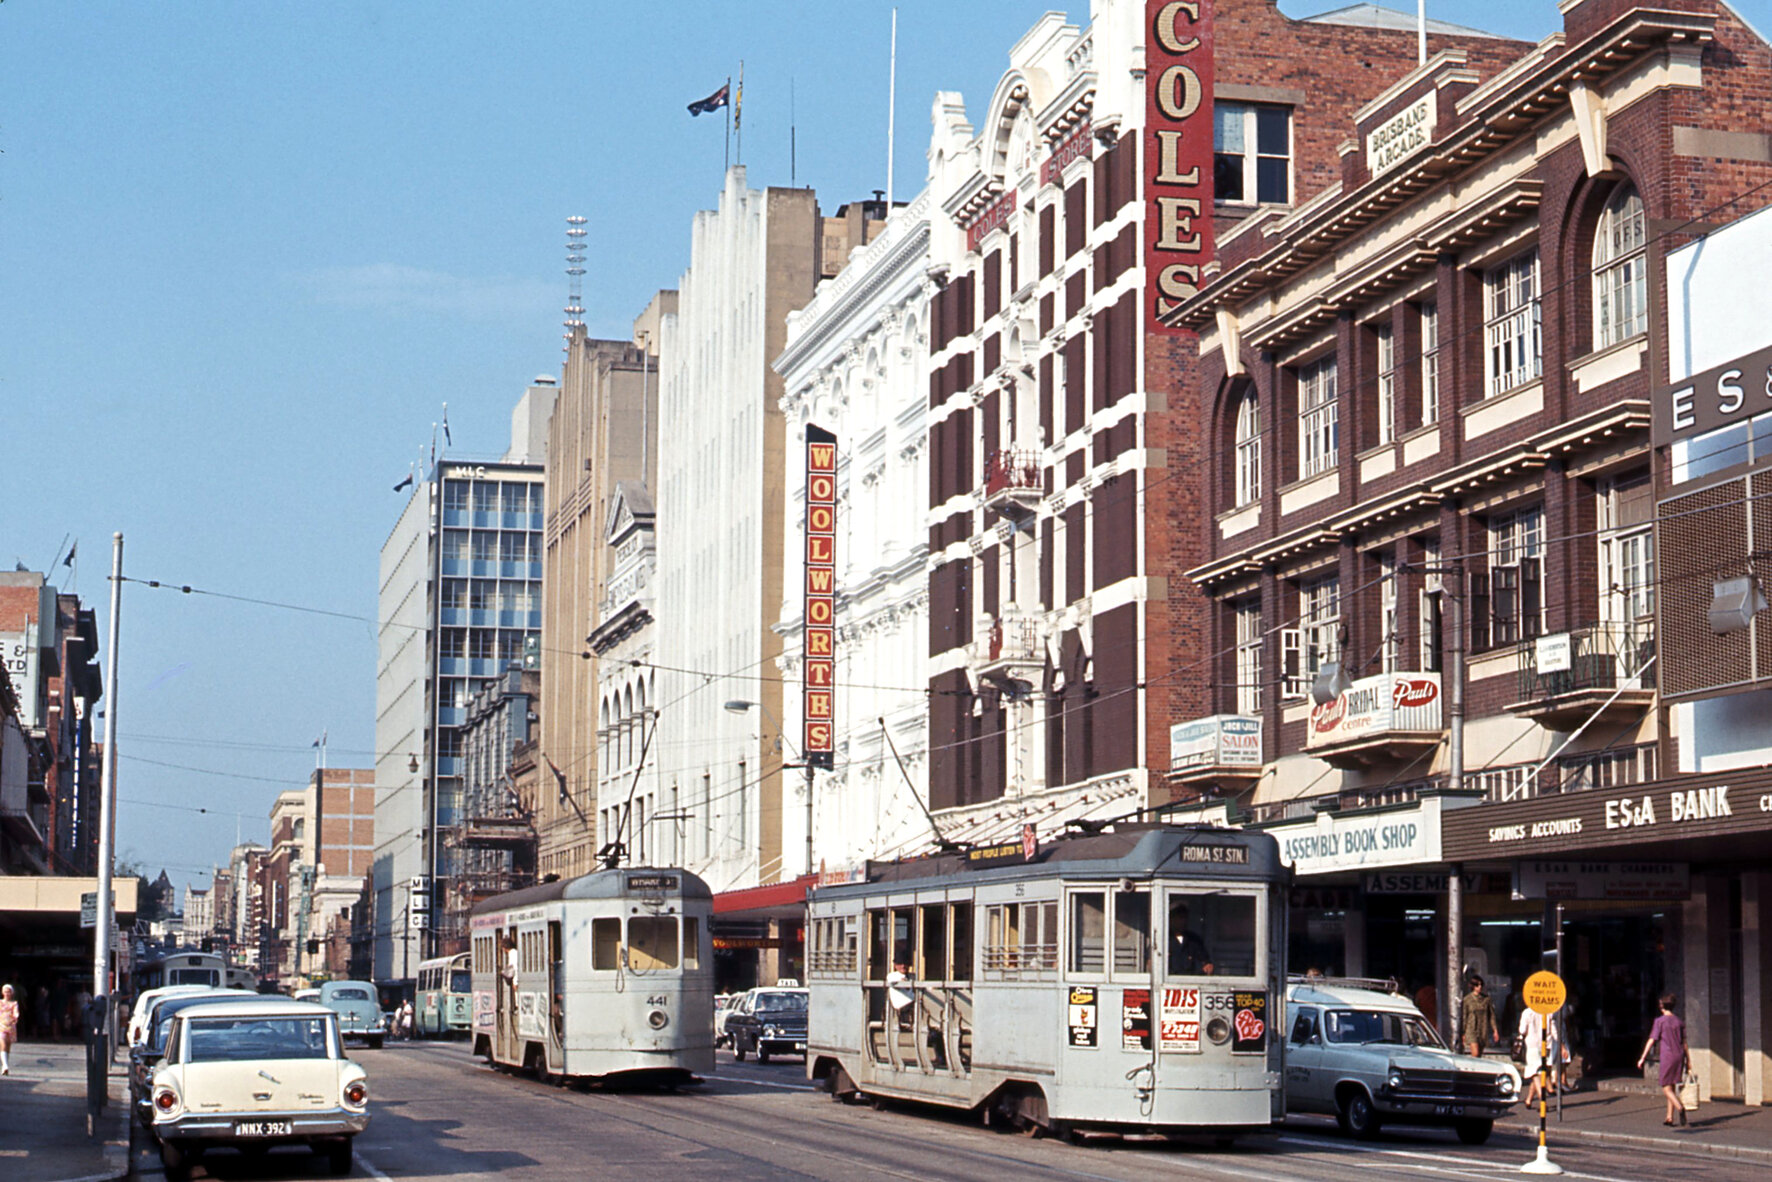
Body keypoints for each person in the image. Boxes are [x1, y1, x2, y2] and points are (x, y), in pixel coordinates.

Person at [1638, 993, 1689, 1127]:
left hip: (1667, 1055)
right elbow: (1684, 1043)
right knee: (1671, 1085)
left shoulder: (1659, 1021)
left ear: (1662, 1006)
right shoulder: (1679, 1022)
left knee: (1665, 1087)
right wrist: (1688, 1060)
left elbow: (1652, 1040)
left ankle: (1680, 1108)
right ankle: (1669, 1117)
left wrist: (1643, 1057)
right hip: (1679, 1055)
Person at [1168, 902, 1214, 975]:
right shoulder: (1162, 939)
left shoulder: (1194, 940)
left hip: (1189, 982)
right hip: (1169, 983)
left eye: (1184, 918)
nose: (1182, 921)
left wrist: (1208, 967)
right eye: (1178, 918)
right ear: (1170, 919)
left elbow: (1207, 963)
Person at [1461, 975, 1499, 1057]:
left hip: (1483, 1029)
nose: (1480, 987)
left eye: (1481, 985)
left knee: (1479, 1055)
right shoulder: (1467, 1000)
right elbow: (1464, 1016)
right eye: (1477, 985)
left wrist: (1495, 1030)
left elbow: (1491, 1015)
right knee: (1475, 1054)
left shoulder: (1486, 999)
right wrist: (1463, 1032)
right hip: (1471, 1029)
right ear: (1473, 986)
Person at [0, 984, 19, 1075]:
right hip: (1, 1026)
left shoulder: (14, 1003)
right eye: (5, 991)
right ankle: (5, 1065)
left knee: (7, 1046)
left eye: (9, 992)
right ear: (2, 992)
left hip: (11, 1026)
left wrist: (15, 1017)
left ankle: (5, 1066)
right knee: (2, 1043)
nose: (7, 993)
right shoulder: (0, 1003)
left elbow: (16, 1013)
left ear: (12, 993)